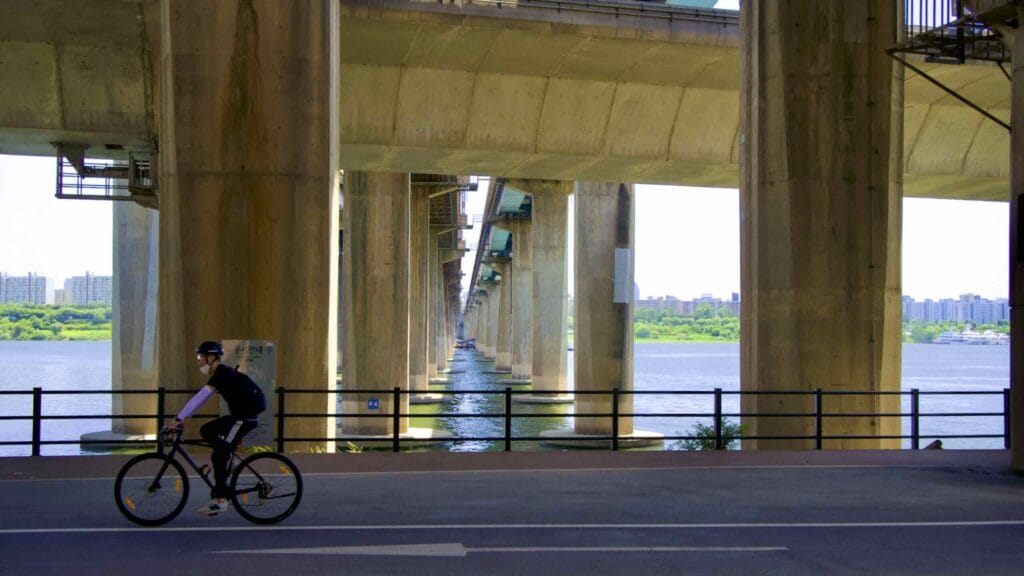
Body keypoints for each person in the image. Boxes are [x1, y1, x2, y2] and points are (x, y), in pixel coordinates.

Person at [166, 341, 267, 516]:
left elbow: (200, 398)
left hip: (244, 418)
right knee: (207, 430)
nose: (198, 361)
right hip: (240, 416)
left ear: (211, 357)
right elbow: (201, 399)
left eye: (200, 357)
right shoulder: (222, 373)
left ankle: (221, 500)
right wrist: (182, 418)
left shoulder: (221, 374)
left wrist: (179, 419)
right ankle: (230, 459)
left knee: (218, 454)